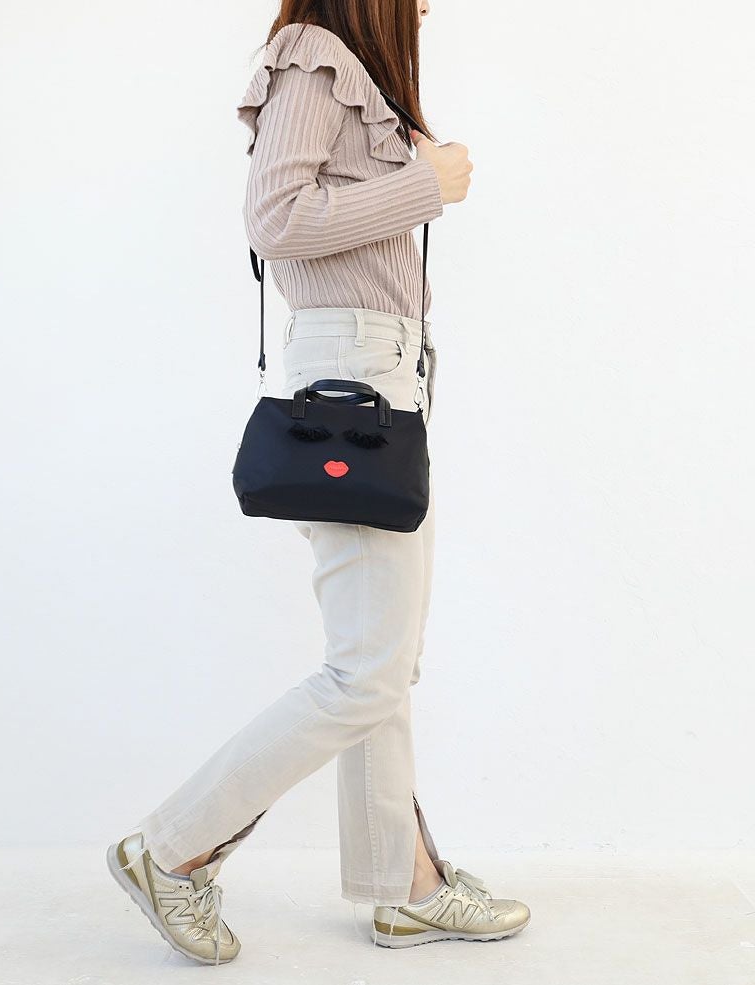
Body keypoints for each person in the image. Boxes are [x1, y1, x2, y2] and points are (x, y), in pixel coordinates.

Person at [106, 1, 531, 965]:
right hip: (352, 379)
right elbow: (275, 218)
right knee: (366, 669)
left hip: (381, 373)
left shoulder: (349, 70)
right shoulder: (312, 58)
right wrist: (423, 185)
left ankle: (405, 889)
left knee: (382, 660)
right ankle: (171, 849)